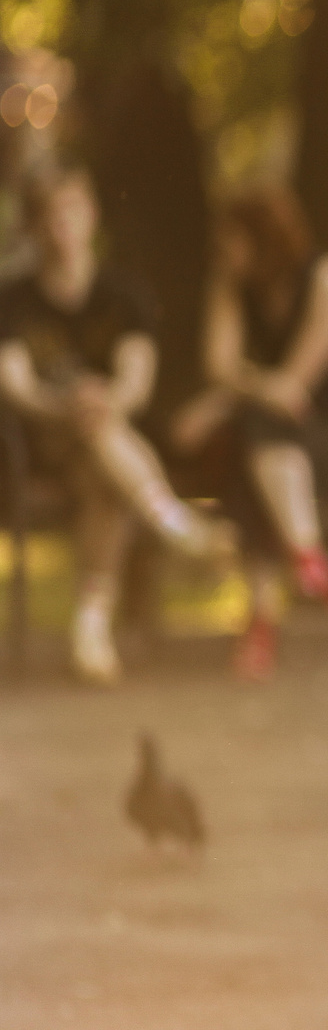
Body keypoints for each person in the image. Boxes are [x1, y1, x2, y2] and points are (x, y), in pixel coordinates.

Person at [0, 162, 229, 685]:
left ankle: (91, 630)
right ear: (35, 227)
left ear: (91, 216)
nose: (63, 228)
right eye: (51, 217)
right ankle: (172, 521)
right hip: (36, 442)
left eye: (72, 212)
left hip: (103, 446)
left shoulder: (124, 294)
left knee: (105, 481)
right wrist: (67, 404)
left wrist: (101, 402)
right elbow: (13, 383)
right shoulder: (12, 300)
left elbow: (136, 382)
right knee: (96, 431)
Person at [169, 188, 328, 681]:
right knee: (253, 449)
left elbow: (290, 390)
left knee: (256, 437)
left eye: (231, 243)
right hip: (277, 448)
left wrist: (221, 400)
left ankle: (264, 621)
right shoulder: (236, 285)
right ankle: (306, 557)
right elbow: (218, 365)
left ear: (262, 239)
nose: (221, 256)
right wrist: (228, 394)